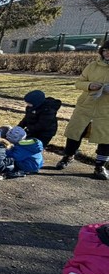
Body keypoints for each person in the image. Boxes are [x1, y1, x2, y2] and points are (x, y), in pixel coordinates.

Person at [56, 40, 109, 179]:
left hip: (106, 110)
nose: (107, 53)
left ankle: (100, 166)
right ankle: (67, 157)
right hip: (86, 106)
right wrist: (89, 85)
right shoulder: (92, 66)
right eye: (105, 50)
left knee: (105, 138)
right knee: (75, 132)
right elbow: (79, 83)